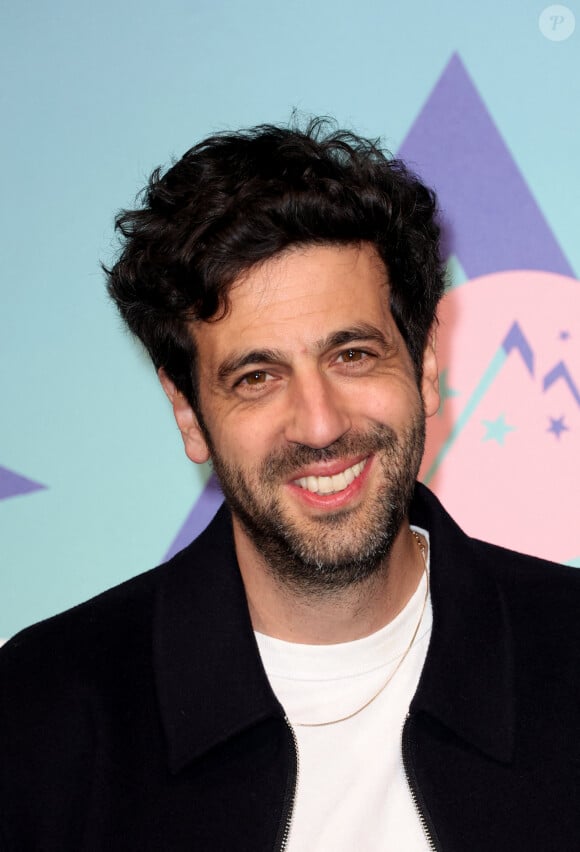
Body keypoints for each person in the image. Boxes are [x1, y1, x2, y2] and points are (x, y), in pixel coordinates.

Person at [1, 120, 580, 852]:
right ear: (189, 413)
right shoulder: (44, 711)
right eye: (257, 377)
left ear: (425, 366)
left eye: (354, 354)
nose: (318, 424)